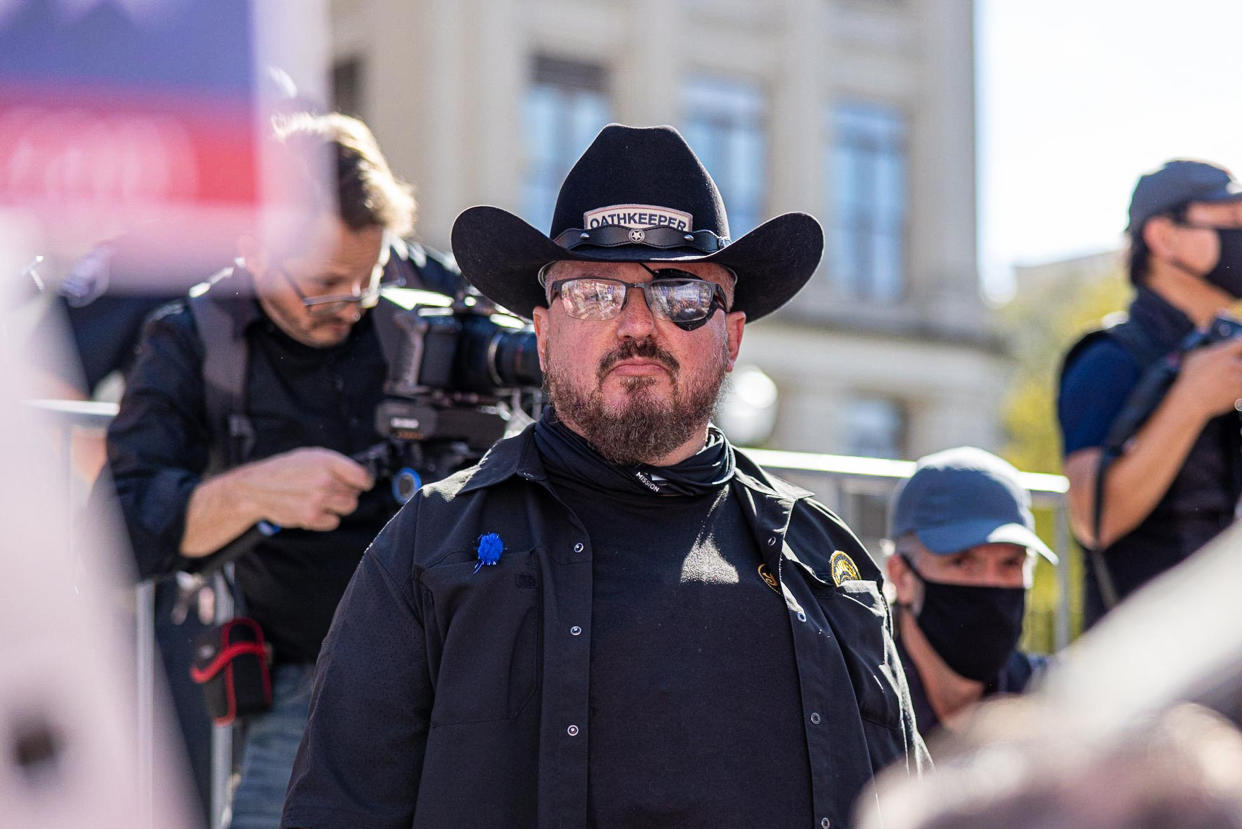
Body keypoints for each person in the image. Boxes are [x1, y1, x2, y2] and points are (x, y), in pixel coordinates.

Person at [281, 123, 928, 829]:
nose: (636, 324)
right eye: (593, 294)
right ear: (543, 331)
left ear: (733, 336)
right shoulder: (426, 553)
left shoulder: (824, 566)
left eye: (682, 295)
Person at [102, 111, 418, 829]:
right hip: (302, 679)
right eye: (325, 283)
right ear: (250, 246)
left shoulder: (420, 294)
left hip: (457, 665)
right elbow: (115, 526)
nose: (354, 304)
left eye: (369, 278)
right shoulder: (192, 335)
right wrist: (254, 490)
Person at [1057, 159, 1242, 627]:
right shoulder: (1109, 357)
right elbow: (1091, 517)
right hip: (1147, 669)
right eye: (1233, 220)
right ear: (1163, 236)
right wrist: (1191, 400)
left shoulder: (1229, 346)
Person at [884, 447, 1056, 743]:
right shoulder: (860, 711)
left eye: (1011, 563)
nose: (991, 584)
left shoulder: (1055, 701)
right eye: (962, 562)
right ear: (902, 577)